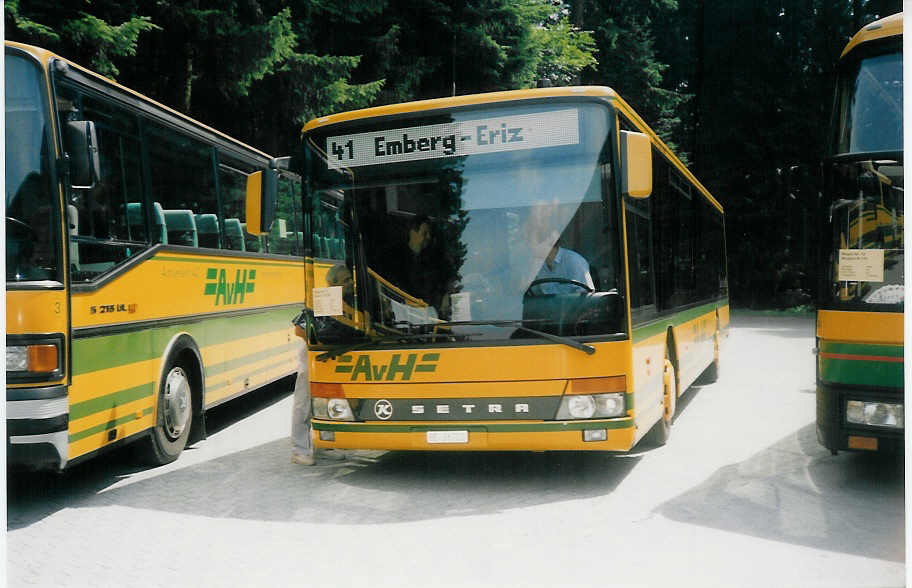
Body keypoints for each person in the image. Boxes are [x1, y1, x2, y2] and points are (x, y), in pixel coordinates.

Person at [290, 311, 346, 465]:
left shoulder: (343, 302)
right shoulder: (316, 301)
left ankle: (325, 446)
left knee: (327, 400)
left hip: (329, 356)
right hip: (313, 357)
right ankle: (299, 450)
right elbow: (299, 329)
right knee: (304, 403)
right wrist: (315, 345)